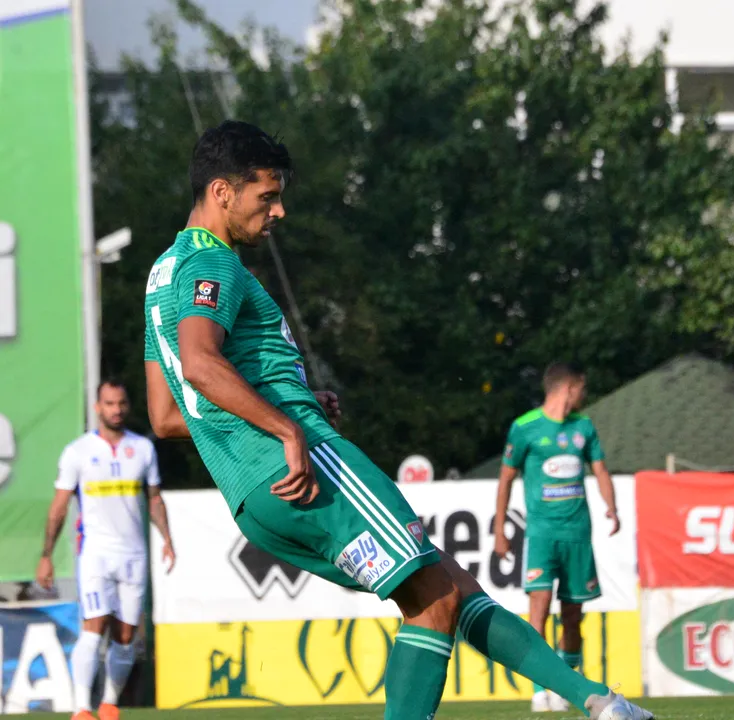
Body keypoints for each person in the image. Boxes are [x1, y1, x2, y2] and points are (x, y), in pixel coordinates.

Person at [141, 120, 650, 720]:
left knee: (450, 584)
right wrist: (289, 427)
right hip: (303, 467)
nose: (278, 212)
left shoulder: (161, 274)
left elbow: (169, 415)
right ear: (222, 192)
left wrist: (294, 403)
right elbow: (200, 364)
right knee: (435, 599)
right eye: (267, 196)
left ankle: (599, 702)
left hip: (253, 498)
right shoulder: (215, 263)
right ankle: (599, 704)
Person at [35, 380, 176, 720]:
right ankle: (81, 708)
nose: (116, 410)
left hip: (134, 556)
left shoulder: (142, 448)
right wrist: (46, 555)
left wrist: (168, 539)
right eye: (109, 404)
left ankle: (109, 704)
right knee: (93, 626)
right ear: (98, 407)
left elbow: (154, 498)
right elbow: (58, 507)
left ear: (127, 406)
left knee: (125, 636)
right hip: (96, 555)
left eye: (121, 403)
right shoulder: (77, 452)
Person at [494, 363, 620, 713]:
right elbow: (505, 479)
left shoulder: (584, 427)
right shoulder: (525, 428)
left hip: (578, 535)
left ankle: (567, 686)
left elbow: (600, 470)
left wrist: (612, 507)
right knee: (539, 610)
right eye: (582, 388)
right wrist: (499, 529)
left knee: (572, 615)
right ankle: (539, 689)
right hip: (542, 535)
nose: (584, 395)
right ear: (568, 388)